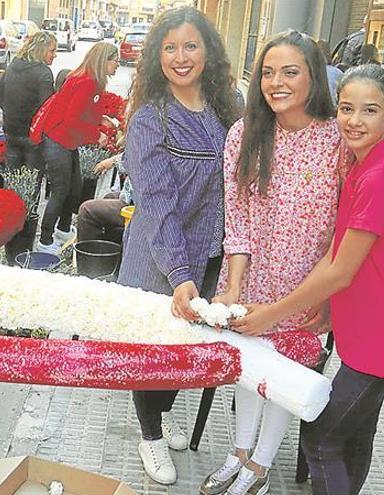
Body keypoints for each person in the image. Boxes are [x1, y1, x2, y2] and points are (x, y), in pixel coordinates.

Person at [232, 64, 384, 495]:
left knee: (321, 437)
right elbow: (337, 252)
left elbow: (340, 270)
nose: (355, 121)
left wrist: (271, 313)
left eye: (370, 111)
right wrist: (323, 305)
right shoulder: (362, 163)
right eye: (346, 108)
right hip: (379, 330)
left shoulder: (381, 176)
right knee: (355, 434)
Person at [198, 31, 341, 495]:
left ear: (313, 77)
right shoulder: (244, 134)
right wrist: (233, 288)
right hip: (253, 277)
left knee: (286, 375)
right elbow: (236, 221)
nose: (275, 82)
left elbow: (347, 230)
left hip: (309, 288)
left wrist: (332, 296)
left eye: (290, 72)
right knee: (250, 368)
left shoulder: (339, 139)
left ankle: (259, 466)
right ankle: (238, 454)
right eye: (268, 72)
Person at [115, 6, 240, 485]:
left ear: (207, 52)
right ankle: (149, 434)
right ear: (157, 57)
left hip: (207, 257)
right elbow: (159, 203)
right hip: (158, 260)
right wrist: (179, 274)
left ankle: (161, 413)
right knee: (153, 352)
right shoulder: (151, 120)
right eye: (170, 48)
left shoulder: (224, 111)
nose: (181, 57)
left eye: (191, 46)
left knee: (181, 351)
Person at [29, 42, 120, 255]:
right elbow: (72, 119)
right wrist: (95, 135)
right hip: (58, 137)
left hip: (65, 139)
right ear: (104, 60)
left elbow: (81, 112)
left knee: (74, 187)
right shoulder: (87, 82)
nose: (118, 65)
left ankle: (62, 229)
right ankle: (45, 239)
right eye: (115, 61)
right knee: (61, 189)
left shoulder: (90, 80)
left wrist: (101, 119)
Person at [0, 31, 56, 171]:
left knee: (14, 180)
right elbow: (47, 107)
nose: (55, 55)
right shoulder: (43, 72)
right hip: (32, 135)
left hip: (11, 131)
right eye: (52, 51)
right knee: (31, 183)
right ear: (41, 50)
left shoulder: (14, 64)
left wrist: (11, 112)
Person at [76, 154, 131, 243]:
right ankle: (111, 249)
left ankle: (91, 255)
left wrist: (113, 161)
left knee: (86, 210)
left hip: (141, 205)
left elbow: (135, 161)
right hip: (132, 195)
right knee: (109, 197)